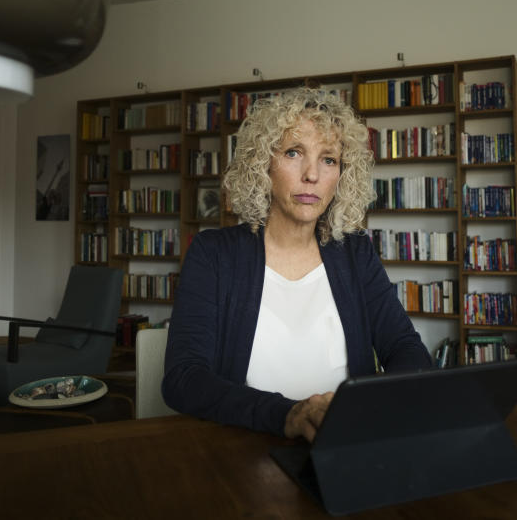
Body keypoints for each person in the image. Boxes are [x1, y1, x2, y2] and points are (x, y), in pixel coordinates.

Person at [162, 87, 431, 441]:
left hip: (344, 443)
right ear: (263, 164)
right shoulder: (214, 254)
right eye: (293, 152)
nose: (312, 175)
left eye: (329, 159)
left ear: (342, 175)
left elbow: (408, 351)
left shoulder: (355, 253)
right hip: (243, 447)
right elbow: (184, 378)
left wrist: (367, 407)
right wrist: (286, 415)